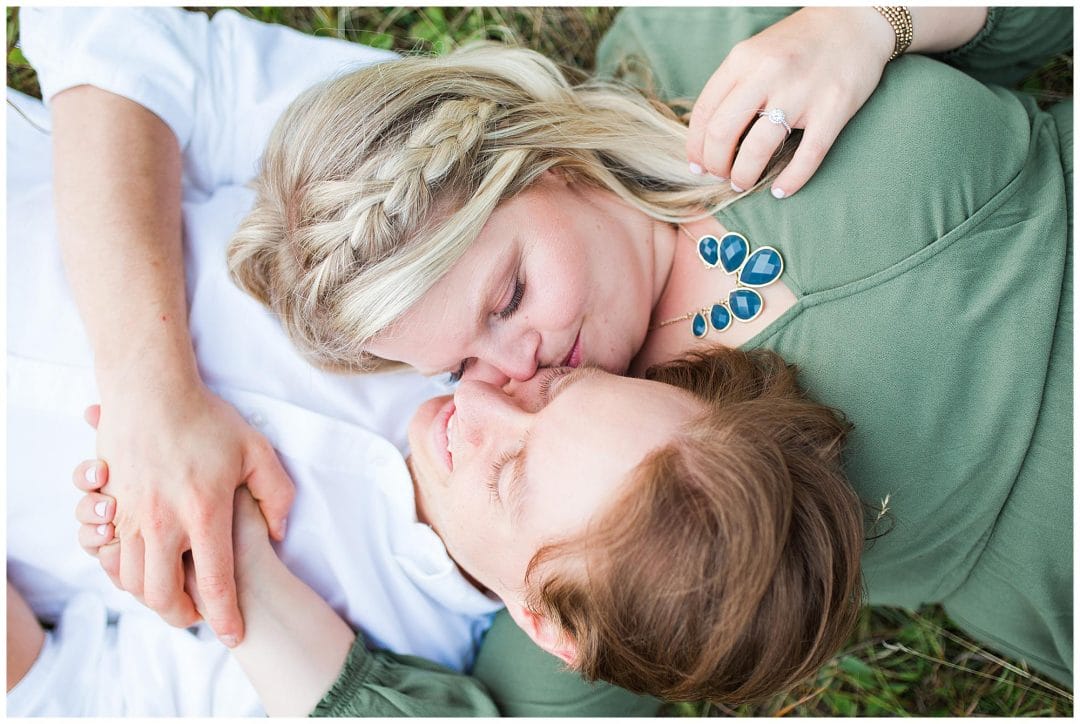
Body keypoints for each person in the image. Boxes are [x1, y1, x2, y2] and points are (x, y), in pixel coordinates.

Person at [16, 1, 1072, 706]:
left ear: (549, 161)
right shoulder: (608, 543)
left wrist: (869, 19)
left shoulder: (693, 68)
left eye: (511, 294)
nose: (510, 369)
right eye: (464, 362)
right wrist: (239, 571)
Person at [68, 344, 864, 712]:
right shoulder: (431, 309)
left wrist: (221, 562)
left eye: (507, 476)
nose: (479, 399)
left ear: (545, 621)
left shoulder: (358, 646)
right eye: (555, 385)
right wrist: (150, 381)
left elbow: (66, 691)